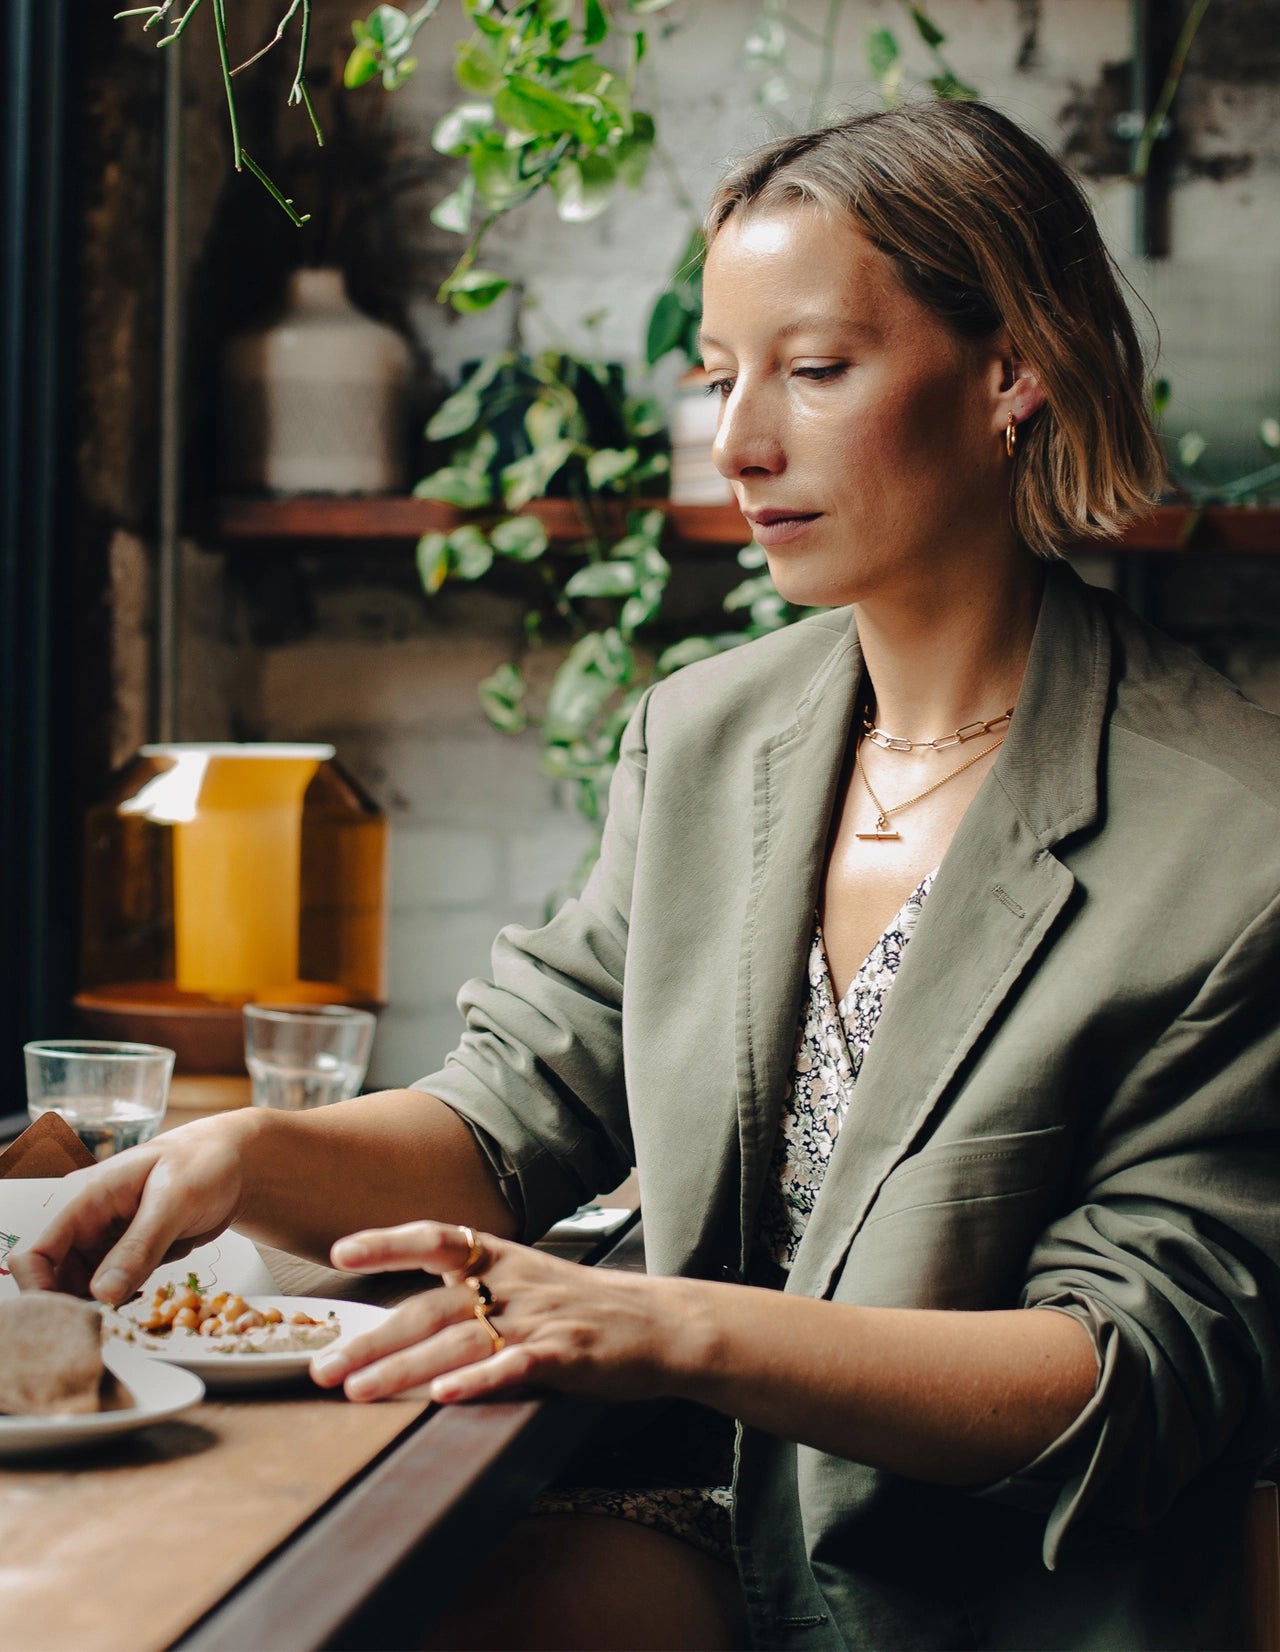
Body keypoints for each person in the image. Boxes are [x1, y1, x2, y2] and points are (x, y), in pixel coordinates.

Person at [16, 100, 1280, 1651]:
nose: (743, 441)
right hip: (707, 1531)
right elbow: (513, 1109)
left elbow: (1130, 1372)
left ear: (1013, 367)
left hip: (988, 1593)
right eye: (720, 376)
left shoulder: (1237, 831)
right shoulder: (704, 737)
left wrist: (661, 1326)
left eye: (814, 371)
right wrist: (243, 1161)